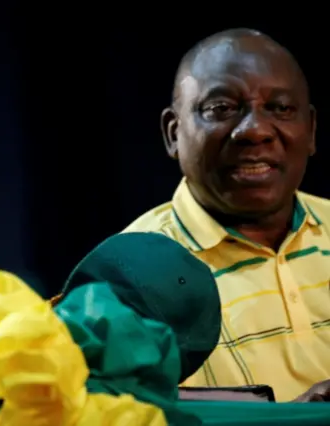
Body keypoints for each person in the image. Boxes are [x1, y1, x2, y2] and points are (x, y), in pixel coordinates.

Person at [123, 29, 330, 402]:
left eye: (280, 108)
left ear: (311, 130)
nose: (255, 131)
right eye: (221, 109)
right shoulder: (128, 276)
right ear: (174, 133)